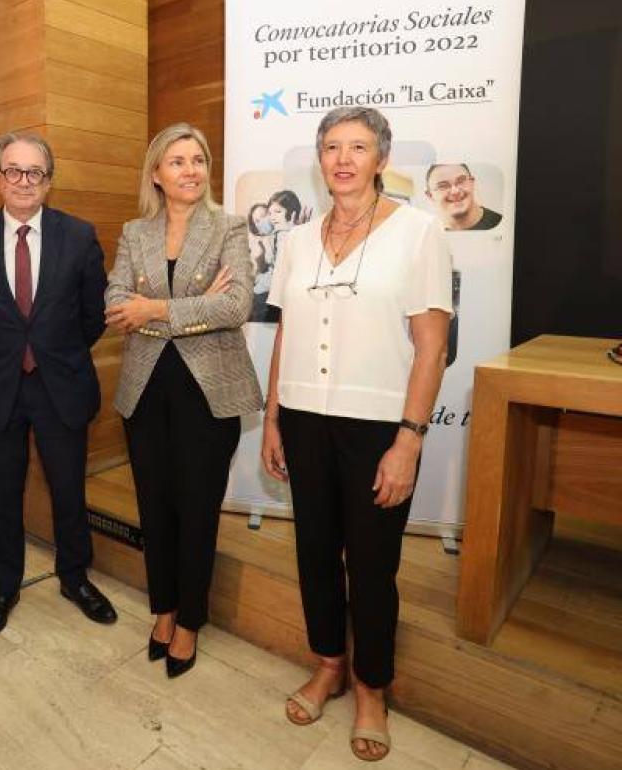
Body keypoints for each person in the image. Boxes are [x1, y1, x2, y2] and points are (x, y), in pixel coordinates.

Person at [260, 106, 452, 761]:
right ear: (320, 160)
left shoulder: (419, 233)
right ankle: (327, 664)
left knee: (371, 566)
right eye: (333, 147)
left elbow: (431, 348)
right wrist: (274, 420)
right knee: (314, 550)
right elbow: (286, 333)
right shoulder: (297, 240)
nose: (344, 158)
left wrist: (409, 439)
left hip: (379, 428)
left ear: (381, 159)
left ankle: (372, 686)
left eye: (359, 147)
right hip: (305, 417)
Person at [105, 123, 263, 678]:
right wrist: (195, 306)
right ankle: (164, 607)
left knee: (197, 509)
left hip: (207, 393)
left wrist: (157, 312)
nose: (190, 170)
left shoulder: (231, 227)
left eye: (198, 160)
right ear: (156, 173)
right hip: (146, 389)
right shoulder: (134, 232)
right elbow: (115, 300)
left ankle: (191, 618)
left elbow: (237, 305)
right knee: (155, 505)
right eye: (177, 161)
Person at [0, 132, 117, 638]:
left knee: (68, 489)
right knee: (2, 494)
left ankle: (74, 577)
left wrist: (52, 352)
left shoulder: (80, 236)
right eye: (14, 171)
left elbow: (94, 316)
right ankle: (5, 587)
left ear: (49, 181)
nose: (24, 181)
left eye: (35, 172)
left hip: (60, 385)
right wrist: (6, 355)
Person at [424, 163, 502, 231]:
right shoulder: (429, 235)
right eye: (443, 186)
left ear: (472, 183)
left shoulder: (501, 224)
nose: (455, 191)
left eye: (461, 181)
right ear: (430, 196)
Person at [248, 202, 275, 321]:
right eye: (257, 221)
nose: (262, 223)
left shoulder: (286, 235)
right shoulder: (259, 243)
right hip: (263, 297)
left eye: (264, 216)